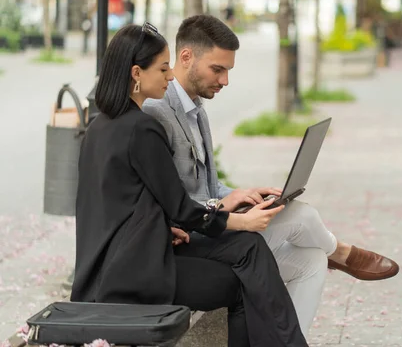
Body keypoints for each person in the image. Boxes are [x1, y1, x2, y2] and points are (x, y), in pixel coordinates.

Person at [143, 15, 400, 336]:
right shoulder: (157, 113)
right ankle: (342, 253)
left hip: (214, 221)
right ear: (186, 57)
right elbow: (171, 199)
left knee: (311, 262)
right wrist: (224, 206)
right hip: (191, 236)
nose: (225, 81)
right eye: (217, 69)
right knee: (302, 216)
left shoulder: (196, 107)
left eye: (228, 71)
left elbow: (208, 185)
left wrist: (240, 195)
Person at [71, 22, 308, 347]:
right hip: (131, 276)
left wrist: (161, 228)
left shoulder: (100, 127)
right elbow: (181, 208)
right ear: (137, 73)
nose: (170, 77)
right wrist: (241, 220)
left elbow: (116, 203)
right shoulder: (142, 129)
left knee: (249, 247)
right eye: (163, 68)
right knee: (241, 282)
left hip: (115, 263)